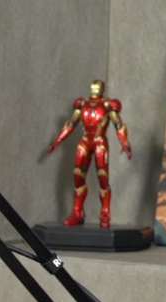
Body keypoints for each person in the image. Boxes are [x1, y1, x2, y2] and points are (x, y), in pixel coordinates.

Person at [47, 78, 132, 229]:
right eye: (93, 87)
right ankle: (77, 212)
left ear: (102, 89)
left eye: (97, 88)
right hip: (85, 141)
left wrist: (124, 142)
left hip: (99, 142)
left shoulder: (108, 105)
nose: (94, 90)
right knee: (78, 176)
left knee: (103, 177)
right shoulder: (82, 104)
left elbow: (119, 125)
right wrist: (57, 140)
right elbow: (71, 124)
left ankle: (105, 213)